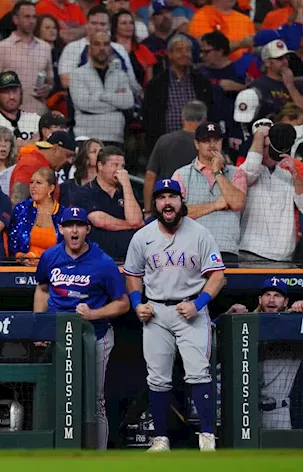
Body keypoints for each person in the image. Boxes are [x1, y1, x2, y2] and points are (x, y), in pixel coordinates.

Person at [123, 178, 226, 452]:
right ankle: (160, 440)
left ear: (182, 201)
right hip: (156, 311)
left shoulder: (200, 233)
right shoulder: (142, 237)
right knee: (157, 378)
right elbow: (133, 275)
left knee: (198, 373)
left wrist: (199, 302)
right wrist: (137, 303)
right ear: (155, 204)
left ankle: (207, 439)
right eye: (161, 197)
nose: (166, 202)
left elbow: (218, 276)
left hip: (189, 309)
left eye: (172, 196)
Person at [34, 206, 129, 450]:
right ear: (61, 229)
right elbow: (43, 289)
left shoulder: (103, 262)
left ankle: (97, 458)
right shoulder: (50, 256)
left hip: (94, 337)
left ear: (87, 229)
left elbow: (123, 303)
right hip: (59, 337)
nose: (73, 230)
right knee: (57, 396)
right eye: (68, 225)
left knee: (94, 400)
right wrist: (40, 327)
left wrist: (94, 313)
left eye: (78, 225)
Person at [226, 278, 304, 430]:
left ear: (285, 301)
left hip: (278, 410)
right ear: (260, 300)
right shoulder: (245, 325)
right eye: (267, 294)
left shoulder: (293, 326)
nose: (272, 299)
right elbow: (210, 337)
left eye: (277, 295)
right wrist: (227, 316)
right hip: (247, 411)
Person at [172, 121, 247, 262]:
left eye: (216, 140)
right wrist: (214, 205)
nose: (212, 145)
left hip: (226, 249)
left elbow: (237, 204)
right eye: (206, 141)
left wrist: (218, 172)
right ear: (196, 144)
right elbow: (175, 214)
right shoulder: (181, 174)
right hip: (191, 249)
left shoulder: (237, 173)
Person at [239, 123, 304, 262]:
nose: (267, 152)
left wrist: (296, 175)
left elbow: (303, 204)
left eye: (270, 147)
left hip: (284, 257)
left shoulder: (289, 175)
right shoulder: (244, 171)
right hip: (251, 251)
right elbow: (252, 169)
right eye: (263, 146)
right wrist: (259, 136)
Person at [0, 1, 53, 115]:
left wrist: (48, 88)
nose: (31, 21)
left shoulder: (45, 47)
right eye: (27, 17)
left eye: (34, 17)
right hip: (10, 116)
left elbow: (50, 81)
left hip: (39, 115)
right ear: (16, 19)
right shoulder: (1, 47)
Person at [70, 30, 134, 148]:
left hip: (115, 138)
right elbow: (83, 103)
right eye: (97, 44)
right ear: (90, 48)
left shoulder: (120, 74)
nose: (102, 48)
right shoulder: (77, 74)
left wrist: (100, 96)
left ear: (111, 48)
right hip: (85, 139)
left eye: (106, 44)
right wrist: (115, 103)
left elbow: (128, 101)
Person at [144, 100, 207, 217]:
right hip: (198, 210)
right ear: (204, 120)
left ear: (182, 118)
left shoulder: (164, 141)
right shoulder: (206, 146)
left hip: (165, 208)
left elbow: (150, 176)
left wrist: (148, 211)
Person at [86, 146, 144, 261]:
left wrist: (126, 185)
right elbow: (100, 221)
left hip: (128, 259)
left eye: (122, 166)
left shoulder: (128, 192)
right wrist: (130, 225)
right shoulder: (87, 191)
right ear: (100, 166)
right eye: (115, 165)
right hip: (96, 258)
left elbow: (136, 220)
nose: (120, 170)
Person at [9, 167, 63, 265]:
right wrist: (21, 257)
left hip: (55, 270)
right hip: (24, 269)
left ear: (51, 188)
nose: (32, 186)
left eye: (38, 183)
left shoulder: (63, 214)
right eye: (31, 182)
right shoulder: (21, 209)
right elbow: (12, 242)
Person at [0, 71, 41, 151]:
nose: (12, 96)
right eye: (6, 92)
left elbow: (48, 150)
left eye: (15, 91)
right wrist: (32, 143)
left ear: (21, 91)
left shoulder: (35, 119)